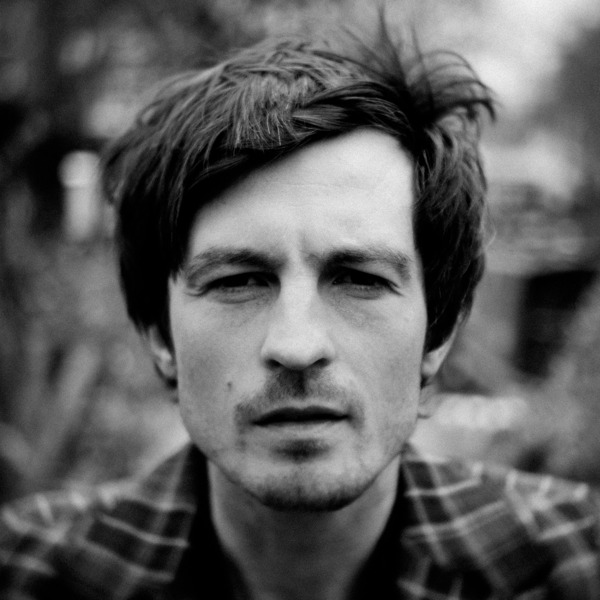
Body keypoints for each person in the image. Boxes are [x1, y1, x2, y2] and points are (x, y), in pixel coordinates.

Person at [1, 19, 599, 600]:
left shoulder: (580, 562)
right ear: (160, 334)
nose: (296, 345)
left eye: (359, 280)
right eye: (239, 281)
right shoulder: (22, 570)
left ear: (437, 332)